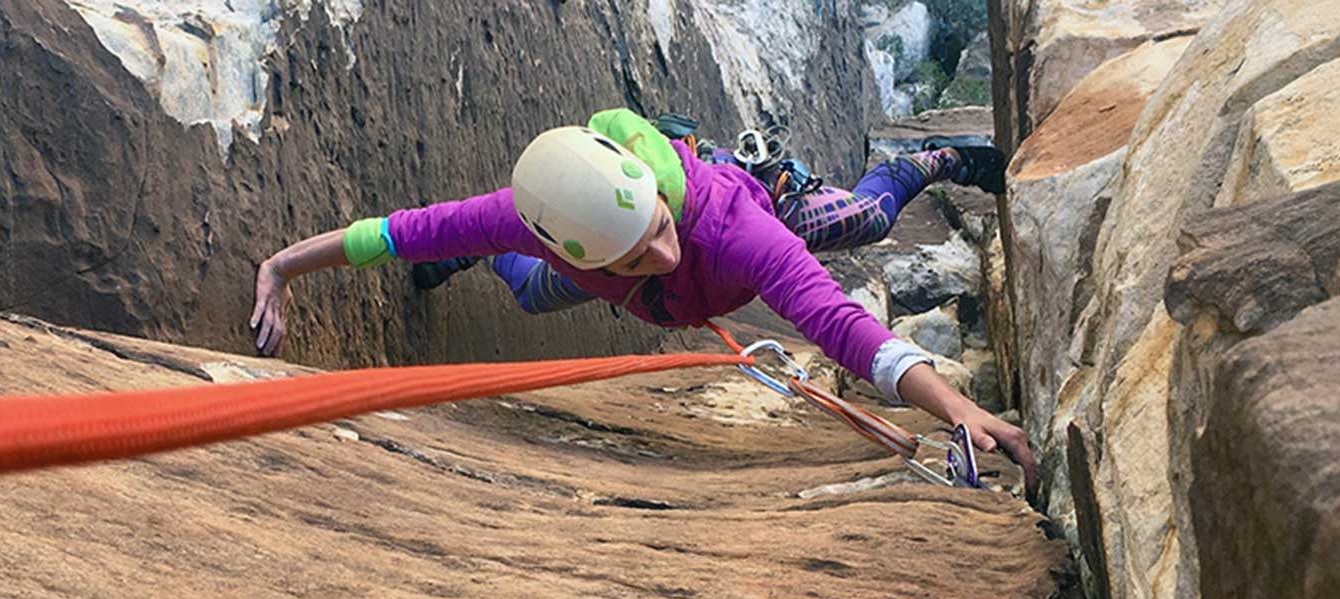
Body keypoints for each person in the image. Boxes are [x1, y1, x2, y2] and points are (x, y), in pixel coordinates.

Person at [250, 109, 1035, 487]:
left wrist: (957, 410)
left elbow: (839, 324)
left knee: (869, 217)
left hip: (757, 212)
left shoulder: (726, 232)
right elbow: (392, 234)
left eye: (658, 228)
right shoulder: (528, 219)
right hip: (630, 290)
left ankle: (926, 160)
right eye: (641, 251)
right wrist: (281, 268)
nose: (665, 252)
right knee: (523, 291)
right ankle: (480, 260)